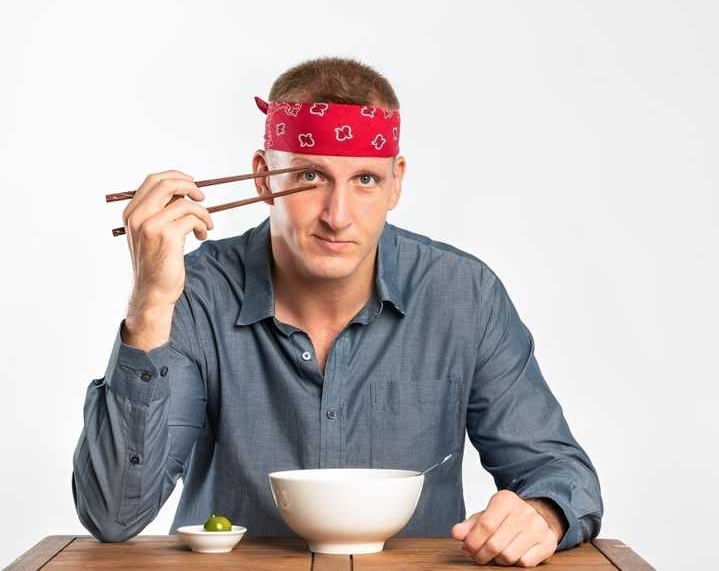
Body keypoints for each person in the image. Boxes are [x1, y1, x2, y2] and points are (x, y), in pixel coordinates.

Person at [72, 57, 603, 567]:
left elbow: (558, 471)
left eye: (365, 180)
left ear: (396, 181)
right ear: (263, 178)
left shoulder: (463, 294)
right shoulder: (196, 294)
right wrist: (149, 305)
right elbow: (114, 515)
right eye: (309, 177)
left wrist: (542, 514)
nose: (338, 216)